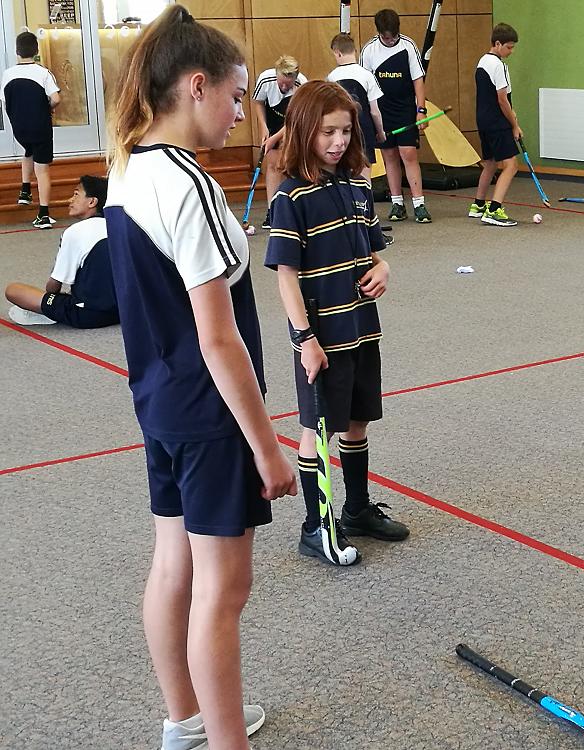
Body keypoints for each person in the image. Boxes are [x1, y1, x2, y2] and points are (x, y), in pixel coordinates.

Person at [104, 6, 296, 749]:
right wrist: (267, 448)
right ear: (195, 86)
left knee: (173, 564)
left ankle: (186, 721)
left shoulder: (127, 166)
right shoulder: (193, 188)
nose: (242, 111)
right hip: (211, 417)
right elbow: (220, 339)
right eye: (236, 95)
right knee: (224, 589)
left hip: (160, 403)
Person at [265, 81, 409, 569]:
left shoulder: (358, 186)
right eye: (327, 131)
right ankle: (315, 526)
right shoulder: (291, 196)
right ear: (305, 130)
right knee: (318, 428)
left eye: (345, 131)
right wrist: (305, 338)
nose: (338, 141)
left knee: (357, 419)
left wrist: (384, 269)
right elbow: (285, 277)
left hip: (362, 328)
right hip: (322, 337)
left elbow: (373, 253)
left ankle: (357, 508)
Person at [5, 175, 118, 328]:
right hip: (125, 311)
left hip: (89, 315)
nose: (70, 200)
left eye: (76, 194)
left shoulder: (74, 232)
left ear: (92, 202)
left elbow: (54, 285)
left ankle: (50, 314)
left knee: (13, 290)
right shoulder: (117, 227)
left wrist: (51, 303)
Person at [360, 8, 432, 223]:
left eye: (393, 37)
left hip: (405, 110)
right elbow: (364, 86)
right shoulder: (369, 50)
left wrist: (421, 111)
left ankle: (419, 204)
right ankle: (397, 203)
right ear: (379, 33)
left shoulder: (408, 46)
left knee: (408, 154)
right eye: (386, 38)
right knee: (389, 156)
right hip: (382, 112)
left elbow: (418, 81)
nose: (390, 41)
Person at [327, 33, 393, 247]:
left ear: (337, 53)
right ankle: (370, 232)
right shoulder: (367, 75)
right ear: (354, 51)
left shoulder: (331, 77)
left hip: (341, 134)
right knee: (364, 183)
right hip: (363, 132)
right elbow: (375, 111)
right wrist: (380, 132)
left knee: (342, 179)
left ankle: (344, 228)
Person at [0, 31, 61, 228]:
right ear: (36, 51)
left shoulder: (8, 74)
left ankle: (25, 190)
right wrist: (48, 107)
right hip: (40, 127)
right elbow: (56, 98)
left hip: (19, 128)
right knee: (42, 170)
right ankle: (43, 214)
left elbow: (4, 100)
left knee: (28, 150)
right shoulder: (43, 72)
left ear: (17, 51)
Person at [469, 23, 522, 227]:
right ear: (497, 43)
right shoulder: (499, 65)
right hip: (497, 122)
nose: (511, 51)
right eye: (509, 47)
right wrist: (514, 125)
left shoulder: (482, 61)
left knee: (490, 163)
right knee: (511, 165)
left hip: (483, 121)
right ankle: (494, 210)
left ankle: (478, 204)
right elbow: (502, 99)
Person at [253, 55, 308, 228]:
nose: (284, 87)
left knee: (288, 165)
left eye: (288, 84)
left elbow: (294, 120)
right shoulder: (265, 79)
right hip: (273, 116)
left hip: (293, 122)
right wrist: (263, 128)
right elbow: (258, 102)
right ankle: (272, 211)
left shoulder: (302, 85)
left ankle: (289, 210)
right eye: (281, 83)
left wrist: (274, 138)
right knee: (273, 165)